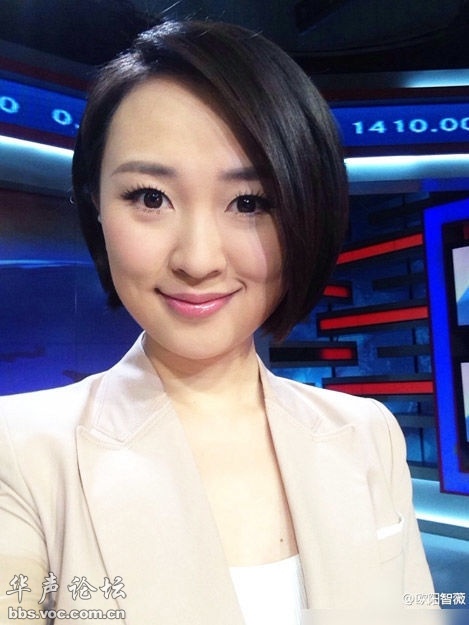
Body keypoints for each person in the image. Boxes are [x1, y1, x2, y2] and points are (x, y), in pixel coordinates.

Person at [0, 19, 435, 625]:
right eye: (150, 197)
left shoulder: (368, 434)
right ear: (96, 204)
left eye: (249, 202)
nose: (199, 260)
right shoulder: (20, 451)